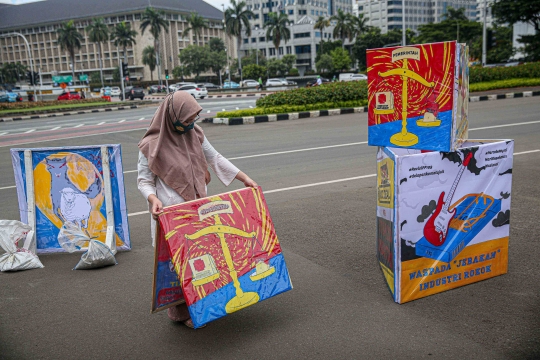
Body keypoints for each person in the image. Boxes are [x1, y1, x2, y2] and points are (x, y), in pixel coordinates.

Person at [137, 91, 258, 329]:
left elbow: (215, 158)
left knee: (201, 259)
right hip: (172, 214)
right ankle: (183, 312)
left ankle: (201, 306)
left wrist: (245, 179)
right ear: (172, 118)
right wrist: (153, 199)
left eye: (194, 119)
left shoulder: (195, 134)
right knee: (181, 265)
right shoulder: (150, 146)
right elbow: (144, 181)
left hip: (199, 209)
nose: (191, 124)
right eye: (187, 120)